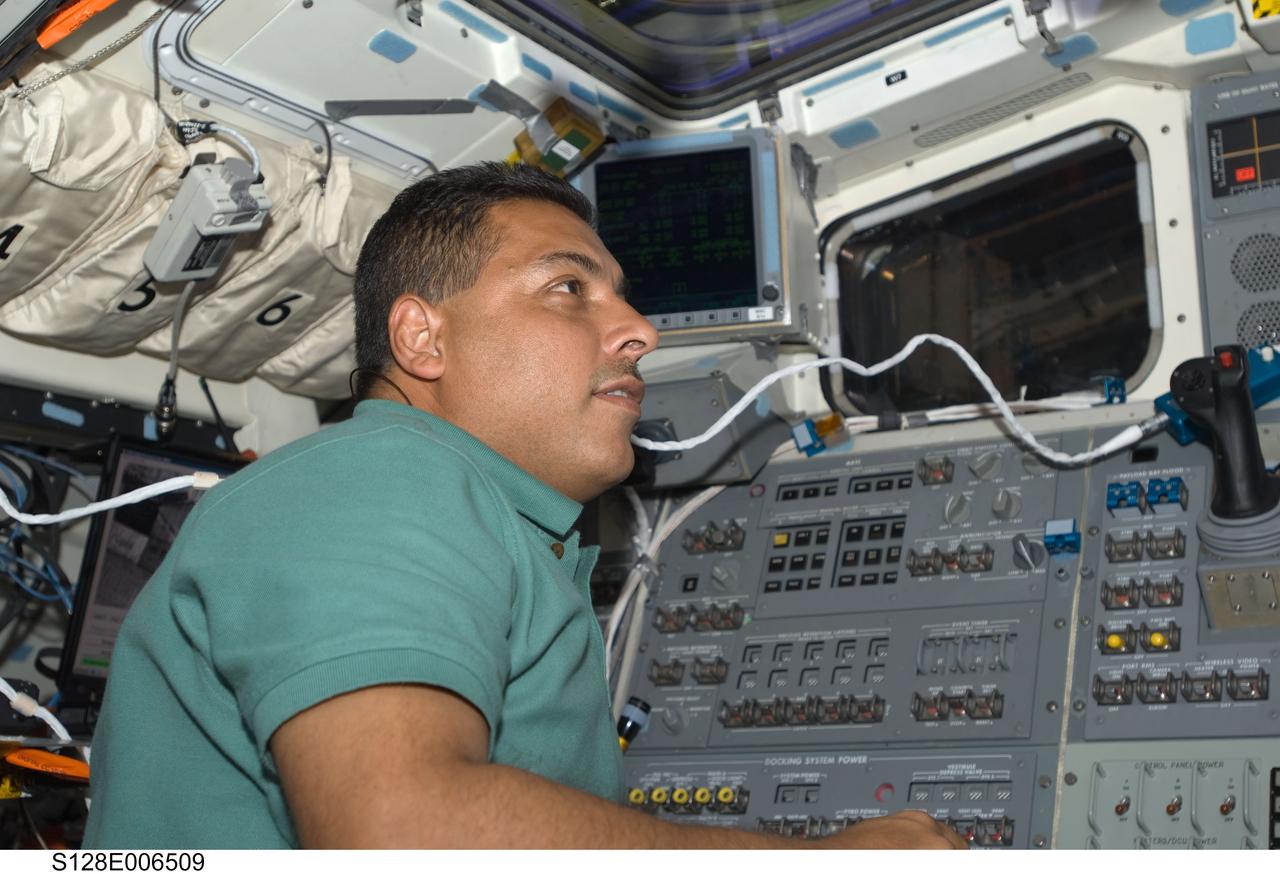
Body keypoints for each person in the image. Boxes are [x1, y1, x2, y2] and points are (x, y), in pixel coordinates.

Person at [82, 163, 967, 850]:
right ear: (422, 337)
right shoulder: (374, 478)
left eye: (619, 294)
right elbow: (403, 833)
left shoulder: (501, 529)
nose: (641, 331)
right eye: (569, 288)